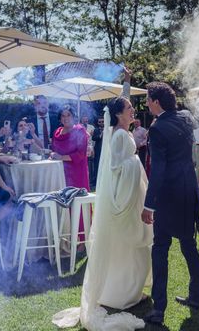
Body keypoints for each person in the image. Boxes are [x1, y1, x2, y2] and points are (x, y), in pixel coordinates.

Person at [53, 69, 152, 330]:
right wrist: (135, 170)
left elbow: (120, 105)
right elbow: (117, 170)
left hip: (133, 195)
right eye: (129, 108)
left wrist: (127, 84)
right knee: (128, 245)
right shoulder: (119, 135)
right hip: (126, 200)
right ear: (119, 114)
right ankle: (123, 294)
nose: (133, 111)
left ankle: (130, 291)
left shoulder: (120, 130)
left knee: (135, 247)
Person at [141, 82, 199, 326]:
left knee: (160, 249)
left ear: (156, 101)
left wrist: (149, 206)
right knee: (189, 244)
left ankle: (159, 309)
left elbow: (158, 171)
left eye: (148, 99)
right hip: (189, 189)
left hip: (169, 196)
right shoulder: (186, 117)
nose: (146, 103)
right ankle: (198, 296)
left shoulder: (157, 129)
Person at [51, 106, 89, 191]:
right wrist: (52, 154)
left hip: (77, 172)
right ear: (60, 118)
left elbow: (80, 154)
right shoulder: (57, 132)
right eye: (63, 116)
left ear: (73, 116)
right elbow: (53, 150)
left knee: (76, 199)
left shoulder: (79, 130)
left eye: (68, 115)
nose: (65, 118)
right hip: (60, 172)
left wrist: (61, 157)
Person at [91, 117, 104, 189]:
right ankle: (95, 182)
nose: (101, 123)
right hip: (98, 151)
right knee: (97, 166)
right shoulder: (96, 130)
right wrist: (100, 135)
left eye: (102, 121)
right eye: (100, 122)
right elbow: (93, 138)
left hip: (106, 150)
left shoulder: (109, 129)